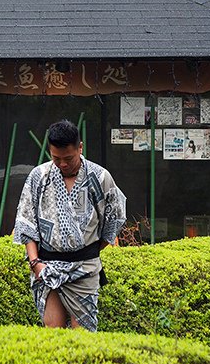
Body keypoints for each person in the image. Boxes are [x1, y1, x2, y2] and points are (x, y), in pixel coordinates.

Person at [13, 119, 127, 331]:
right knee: (52, 329)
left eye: (68, 158)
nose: (63, 164)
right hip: (46, 265)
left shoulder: (100, 177)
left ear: (80, 148)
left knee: (82, 332)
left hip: (84, 267)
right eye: (56, 158)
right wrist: (35, 263)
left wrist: (91, 251)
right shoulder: (39, 176)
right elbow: (26, 222)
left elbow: (114, 220)